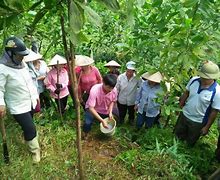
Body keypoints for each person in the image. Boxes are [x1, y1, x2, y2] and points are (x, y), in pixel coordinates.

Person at [0, 36, 40, 163]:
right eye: (19, 55)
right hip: (18, 105)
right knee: (30, 128)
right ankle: (35, 153)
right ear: (10, 53)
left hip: (31, 101)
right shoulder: (2, 68)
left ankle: (31, 141)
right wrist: (1, 104)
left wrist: (36, 96)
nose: (22, 58)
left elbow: (29, 82)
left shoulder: (22, 64)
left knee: (30, 125)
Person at [174, 60, 220, 146]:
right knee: (177, 135)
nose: (203, 79)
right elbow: (186, 93)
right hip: (184, 114)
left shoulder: (217, 92)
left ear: (212, 78)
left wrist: (207, 127)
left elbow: (214, 112)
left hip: (198, 121)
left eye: (206, 78)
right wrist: (179, 107)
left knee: (190, 141)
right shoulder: (194, 80)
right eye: (202, 76)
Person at [83, 74, 118, 138]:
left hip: (105, 109)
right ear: (103, 83)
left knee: (117, 116)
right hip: (94, 109)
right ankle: (86, 133)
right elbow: (91, 108)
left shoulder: (114, 90)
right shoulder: (95, 90)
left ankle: (101, 118)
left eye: (112, 88)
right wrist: (102, 120)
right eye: (108, 87)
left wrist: (110, 112)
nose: (110, 90)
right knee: (87, 123)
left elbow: (112, 101)